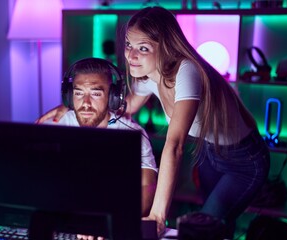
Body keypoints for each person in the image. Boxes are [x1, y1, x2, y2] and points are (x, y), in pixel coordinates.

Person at [37, 7, 270, 239]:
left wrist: (158, 215)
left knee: (205, 228)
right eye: (129, 45)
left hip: (244, 160)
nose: (131, 55)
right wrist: (75, 104)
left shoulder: (186, 71)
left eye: (143, 48)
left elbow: (175, 145)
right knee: (216, 228)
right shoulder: (147, 77)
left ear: (166, 48)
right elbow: (123, 107)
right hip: (210, 153)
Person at [39, 57, 158, 219]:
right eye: (79, 93)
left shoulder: (133, 135)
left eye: (95, 94)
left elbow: (146, 190)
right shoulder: (53, 128)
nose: (86, 103)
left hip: (112, 223)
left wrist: (109, 224)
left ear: (113, 97)